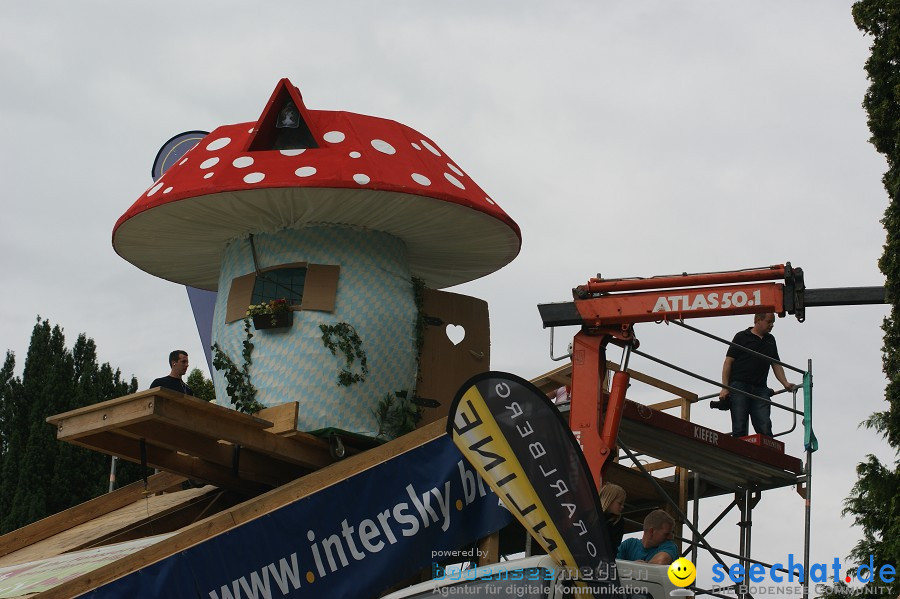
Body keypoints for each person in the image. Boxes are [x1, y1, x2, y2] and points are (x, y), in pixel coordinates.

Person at [718, 313, 795, 437]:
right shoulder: (741, 337)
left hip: (760, 388)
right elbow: (728, 362)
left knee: (765, 426)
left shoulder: (770, 340)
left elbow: (775, 363)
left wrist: (785, 383)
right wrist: (725, 387)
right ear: (758, 320)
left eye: (773, 322)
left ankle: (768, 455)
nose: (772, 325)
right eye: (769, 322)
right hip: (739, 386)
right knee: (740, 426)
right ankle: (739, 453)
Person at [599, 483, 626, 554]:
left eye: (623, 504)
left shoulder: (618, 521)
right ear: (609, 500)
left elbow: (615, 545)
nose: (622, 507)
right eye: (620, 503)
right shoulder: (591, 515)